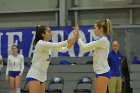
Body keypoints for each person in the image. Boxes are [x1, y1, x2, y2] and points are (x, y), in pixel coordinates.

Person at [26, 25, 77, 93]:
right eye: (49, 31)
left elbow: (64, 49)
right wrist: (74, 37)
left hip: (42, 77)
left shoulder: (48, 46)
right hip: (34, 76)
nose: (51, 33)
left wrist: (75, 38)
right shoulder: (41, 44)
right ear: (43, 34)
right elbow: (58, 45)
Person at [75, 19, 113, 93]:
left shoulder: (103, 40)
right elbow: (85, 49)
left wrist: (78, 37)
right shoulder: (100, 40)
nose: (93, 30)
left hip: (103, 72)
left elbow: (84, 48)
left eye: (95, 28)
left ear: (101, 28)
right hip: (99, 72)